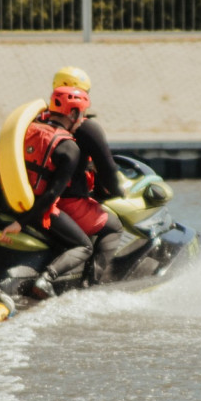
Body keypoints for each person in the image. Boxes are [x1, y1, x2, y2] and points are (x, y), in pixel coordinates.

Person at [0, 85, 95, 299]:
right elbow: (51, 196)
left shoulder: (24, 132)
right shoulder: (70, 148)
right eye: (82, 114)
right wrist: (21, 223)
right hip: (35, 214)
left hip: (5, 205)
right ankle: (46, 279)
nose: (82, 120)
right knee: (85, 246)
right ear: (73, 113)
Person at [50, 66, 125, 285]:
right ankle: (90, 283)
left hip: (40, 197)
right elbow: (108, 168)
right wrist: (119, 191)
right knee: (113, 226)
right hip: (68, 202)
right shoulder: (86, 128)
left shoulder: (42, 120)